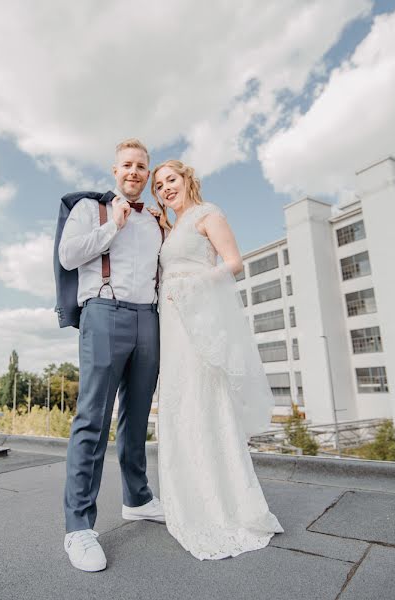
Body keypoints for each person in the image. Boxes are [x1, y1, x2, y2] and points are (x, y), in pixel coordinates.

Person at [151, 159, 283, 560]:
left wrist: (192, 285)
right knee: (178, 402)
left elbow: (233, 263)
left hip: (198, 318)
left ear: (187, 178)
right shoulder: (171, 228)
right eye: (158, 185)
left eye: (170, 179)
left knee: (203, 399)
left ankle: (222, 504)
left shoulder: (209, 214)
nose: (164, 188)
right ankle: (187, 497)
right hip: (171, 322)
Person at [57, 139, 165, 572]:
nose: (135, 172)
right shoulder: (91, 210)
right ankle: (79, 528)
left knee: (137, 416)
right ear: (114, 170)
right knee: (93, 418)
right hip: (104, 310)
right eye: (127, 165)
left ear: (147, 172)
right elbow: (68, 257)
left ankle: (137, 499)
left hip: (148, 318)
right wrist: (112, 227)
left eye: (142, 166)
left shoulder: (156, 220)